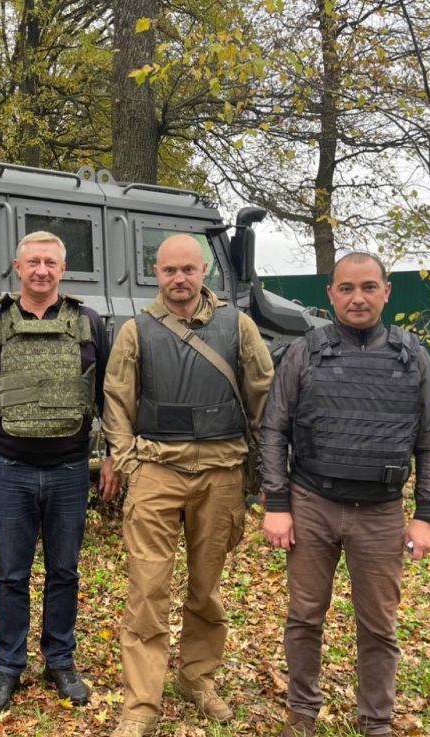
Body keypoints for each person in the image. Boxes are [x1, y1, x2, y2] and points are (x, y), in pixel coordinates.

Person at [261, 252, 430, 737]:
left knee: (379, 626)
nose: (357, 298)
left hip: (382, 513)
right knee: (304, 617)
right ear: (330, 294)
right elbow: (274, 429)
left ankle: (376, 721)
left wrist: (427, 514)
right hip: (312, 504)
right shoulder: (305, 351)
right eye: (346, 288)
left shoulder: (413, 356)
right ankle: (301, 714)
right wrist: (277, 505)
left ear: (386, 291)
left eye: (368, 287)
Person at [102, 234, 274, 737]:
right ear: (155, 273)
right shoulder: (137, 331)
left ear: (205, 272)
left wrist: (266, 470)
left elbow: (263, 395)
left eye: (188, 270)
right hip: (157, 470)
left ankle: (197, 679)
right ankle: (141, 704)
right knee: (147, 590)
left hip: (221, 473)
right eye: (168, 271)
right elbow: (117, 402)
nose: (179, 280)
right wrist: (130, 463)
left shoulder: (238, 326)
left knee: (207, 589)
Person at [0, 230, 119, 715]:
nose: (42, 270)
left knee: (64, 571)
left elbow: (108, 394)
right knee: (11, 574)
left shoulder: (88, 322)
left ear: (62, 270)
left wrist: (112, 455)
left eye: (50, 262)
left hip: (70, 469)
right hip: (11, 470)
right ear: (17, 267)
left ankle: (59, 659)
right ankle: (8, 665)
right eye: (33, 262)